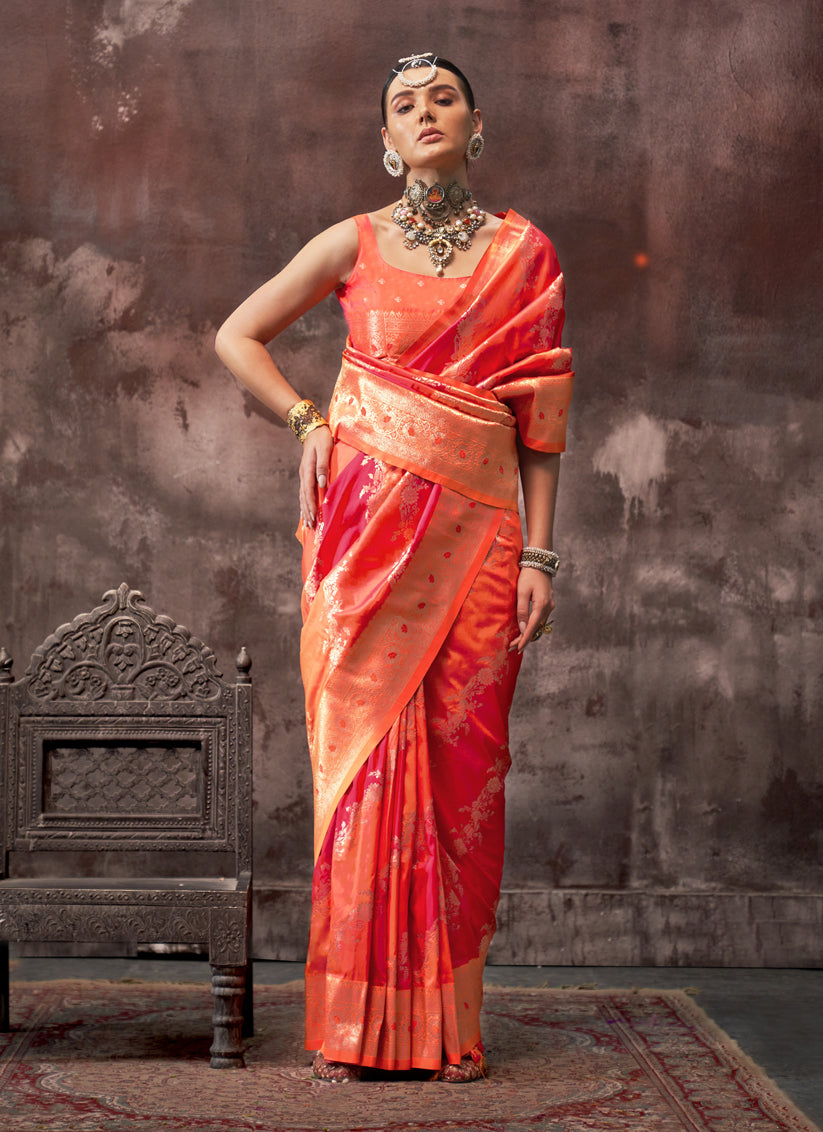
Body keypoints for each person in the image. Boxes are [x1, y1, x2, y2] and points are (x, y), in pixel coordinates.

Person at [215, 52, 574, 1083]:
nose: (425, 113)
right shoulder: (352, 242)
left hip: (481, 544)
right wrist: (306, 418)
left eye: (443, 99)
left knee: (463, 775)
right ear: (385, 137)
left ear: (476, 123)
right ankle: (350, 1025)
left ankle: (447, 1024)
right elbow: (238, 334)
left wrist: (541, 552)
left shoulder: (523, 254)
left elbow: (539, 420)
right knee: (363, 766)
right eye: (404, 106)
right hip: (363, 546)